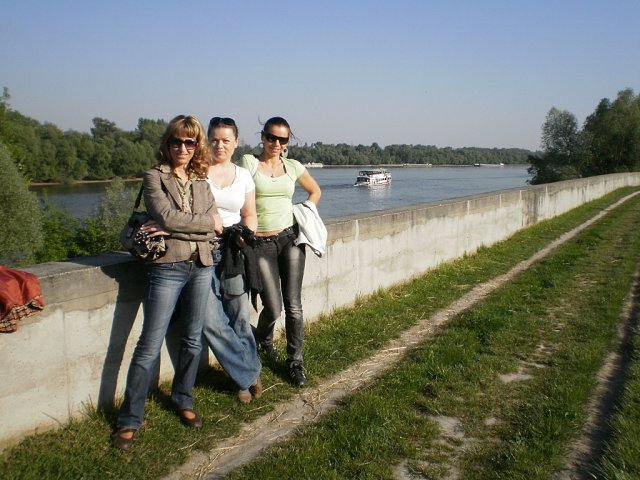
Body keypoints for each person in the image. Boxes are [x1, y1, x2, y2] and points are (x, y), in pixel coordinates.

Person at [112, 115, 222, 449]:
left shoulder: (201, 179)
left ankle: (183, 398)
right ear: (168, 143)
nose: (183, 148)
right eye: (177, 141)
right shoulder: (154, 177)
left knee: (192, 339)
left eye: (190, 142)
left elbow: (216, 225)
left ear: (197, 145)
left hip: (201, 266)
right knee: (149, 343)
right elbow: (169, 217)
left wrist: (180, 228)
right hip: (166, 268)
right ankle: (130, 418)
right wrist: (200, 224)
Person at [241, 117, 321, 386]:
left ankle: (295, 362)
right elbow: (237, 193)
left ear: (287, 141)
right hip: (260, 244)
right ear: (262, 136)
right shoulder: (249, 163)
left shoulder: (293, 166)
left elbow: (315, 191)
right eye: (271, 137)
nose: (276, 143)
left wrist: (305, 209)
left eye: (282, 139)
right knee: (273, 307)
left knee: (294, 305)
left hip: (290, 239)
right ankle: (264, 339)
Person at [203, 116, 262, 404]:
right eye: (214, 139)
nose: (219, 145)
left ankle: (244, 378)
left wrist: (246, 236)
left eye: (226, 140)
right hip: (201, 253)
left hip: (233, 253)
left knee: (239, 316)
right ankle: (248, 374)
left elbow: (250, 214)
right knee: (210, 321)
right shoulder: (197, 172)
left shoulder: (243, 176)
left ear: (236, 142)